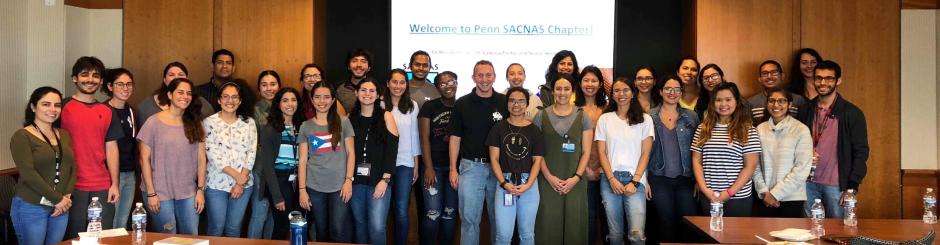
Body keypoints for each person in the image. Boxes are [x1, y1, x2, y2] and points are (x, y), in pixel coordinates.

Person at [796, 60, 869, 218]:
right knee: (810, 231)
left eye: (829, 78)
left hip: (837, 185)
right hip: (807, 183)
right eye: (818, 78)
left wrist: (852, 187)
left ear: (838, 81)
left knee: (839, 232)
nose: (823, 82)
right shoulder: (805, 109)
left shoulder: (852, 113)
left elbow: (861, 152)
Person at [61, 56, 123, 239]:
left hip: (102, 184)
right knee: (73, 237)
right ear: (74, 78)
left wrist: (115, 184)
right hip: (71, 185)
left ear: (102, 81)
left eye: (96, 76)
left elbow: (111, 148)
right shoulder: (62, 107)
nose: (90, 79)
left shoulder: (107, 110)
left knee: (102, 237)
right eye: (84, 74)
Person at [138, 78, 206, 234]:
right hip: (159, 192)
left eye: (189, 93)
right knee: (167, 237)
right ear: (169, 94)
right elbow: (144, 160)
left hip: (188, 192)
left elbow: (202, 159)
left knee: (191, 236)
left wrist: (200, 190)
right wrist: (151, 192)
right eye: (180, 92)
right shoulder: (153, 122)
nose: (185, 96)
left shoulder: (196, 123)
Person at [449, 60, 508, 245]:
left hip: (499, 169)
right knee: (469, 221)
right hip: (470, 167)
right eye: (480, 75)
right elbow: (455, 138)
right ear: (473, 77)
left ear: (495, 77)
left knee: (499, 221)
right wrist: (453, 169)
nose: (484, 79)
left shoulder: (504, 102)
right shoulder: (462, 103)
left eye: (488, 75)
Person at [534, 74, 593, 245]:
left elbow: (586, 151)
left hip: (575, 181)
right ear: (552, 92)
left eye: (566, 89)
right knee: (547, 225)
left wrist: (576, 178)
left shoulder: (583, 117)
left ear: (573, 92)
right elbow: (537, 153)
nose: (562, 92)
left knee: (574, 226)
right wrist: (549, 177)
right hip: (547, 180)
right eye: (558, 89)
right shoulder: (540, 116)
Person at [10, 87, 75, 245]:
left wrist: (66, 196)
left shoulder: (64, 135)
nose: (53, 109)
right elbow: (28, 173)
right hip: (31, 206)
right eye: (46, 104)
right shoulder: (22, 136)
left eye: (57, 105)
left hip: (60, 207)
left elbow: (72, 167)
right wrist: (57, 199)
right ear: (33, 107)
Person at [596, 77, 654, 245]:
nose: (621, 94)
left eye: (625, 90)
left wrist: (635, 182)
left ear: (632, 93)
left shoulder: (645, 119)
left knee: (637, 234)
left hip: (635, 181)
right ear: (612, 94)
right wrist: (611, 179)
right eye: (617, 91)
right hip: (610, 180)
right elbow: (601, 153)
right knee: (614, 235)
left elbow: (645, 153)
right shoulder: (605, 119)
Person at [692, 82, 761, 217]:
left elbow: (750, 166)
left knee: (736, 237)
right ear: (712, 103)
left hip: (738, 197)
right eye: (718, 100)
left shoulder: (747, 129)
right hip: (709, 196)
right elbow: (696, 161)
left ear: (737, 102)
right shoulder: (703, 128)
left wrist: (729, 192)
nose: (723, 104)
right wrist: (705, 190)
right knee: (710, 235)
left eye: (728, 99)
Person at [297, 82, 355, 242]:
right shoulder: (305, 126)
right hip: (314, 187)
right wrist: (302, 190)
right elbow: (302, 160)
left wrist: (348, 181)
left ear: (333, 99)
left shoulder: (343, 122)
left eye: (326, 97)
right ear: (312, 99)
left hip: (339, 187)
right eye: (317, 97)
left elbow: (351, 153)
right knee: (321, 230)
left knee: (337, 230)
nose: (322, 101)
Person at [487, 87, 545, 245]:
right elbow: (494, 159)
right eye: (512, 100)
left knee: (527, 236)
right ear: (507, 104)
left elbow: (537, 161)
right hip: (504, 184)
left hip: (529, 185)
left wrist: (528, 184)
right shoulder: (498, 128)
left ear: (527, 104)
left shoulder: (534, 131)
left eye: (521, 101)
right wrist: (504, 183)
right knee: (503, 236)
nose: (516, 104)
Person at [647, 75, 699, 243]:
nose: (673, 92)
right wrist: (644, 179)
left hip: (686, 179)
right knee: (665, 224)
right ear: (661, 91)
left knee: (688, 223)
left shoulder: (691, 117)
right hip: (658, 179)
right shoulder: (649, 117)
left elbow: (699, 150)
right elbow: (643, 151)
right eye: (668, 89)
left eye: (677, 89)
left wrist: (699, 179)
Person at [348, 78, 399, 245]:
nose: (367, 94)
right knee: (359, 225)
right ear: (356, 93)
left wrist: (385, 180)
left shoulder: (386, 116)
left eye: (371, 91)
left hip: (379, 180)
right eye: (363, 90)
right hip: (356, 182)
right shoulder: (349, 118)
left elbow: (392, 151)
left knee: (377, 227)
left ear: (378, 95)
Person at [203, 82, 258, 237]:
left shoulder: (249, 123)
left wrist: (241, 182)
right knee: (216, 228)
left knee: (234, 229)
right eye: (226, 97)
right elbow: (213, 156)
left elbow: (251, 153)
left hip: (244, 185)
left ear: (240, 101)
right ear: (219, 100)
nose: (230, 101)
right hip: (216, 185)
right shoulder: (209, 123)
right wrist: (238, 177)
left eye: (234, 97)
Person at [754, 88, 813, 218]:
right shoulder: (760, 129)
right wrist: (764, 192)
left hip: (792, 197)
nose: (776, 105)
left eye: (781, 101)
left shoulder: (801, 130)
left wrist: (775, 194)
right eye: (772, 101)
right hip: (765, 197)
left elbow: (802, 168)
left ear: (790, 104)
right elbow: (754, 165)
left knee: (790, 237)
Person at [253, 88, 301, 239]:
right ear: (278, 104)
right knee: (282, 226)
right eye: (285, 100)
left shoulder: (300, 127)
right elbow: (267, 167)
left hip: (296, 181)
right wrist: (277, 196)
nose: (290, 104)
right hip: (279, 181)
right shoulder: (271, 129)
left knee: (293, 224)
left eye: (293, 100)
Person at [419, 71, 459, 245]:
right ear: (437, 88)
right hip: (433, 167)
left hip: (454, 169)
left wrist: (455, 169)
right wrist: (428, 167)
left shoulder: (462, 106)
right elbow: (424, 138)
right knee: (433, 213)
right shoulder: (430, 107)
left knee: (449, 214)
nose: (448, 86)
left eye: (451, 81)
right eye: (442, 84)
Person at [384, 69, 421, 245]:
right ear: (388, 83)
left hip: (405, 164)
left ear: (406, 85)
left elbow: (415, 135)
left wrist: (416, 164)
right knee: (381, 211)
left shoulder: (412, 106)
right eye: (394, 82)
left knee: (401, 211)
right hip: (383, 165)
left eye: (402, 82)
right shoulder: (379, 105)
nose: (398, 86)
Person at [575, 66, 609, 245]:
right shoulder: (573, 110)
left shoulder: (608, 109)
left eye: (594, 80)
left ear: (600, 84)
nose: (590, 84)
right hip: (583, 173)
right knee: (587, 218)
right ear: (580, 84)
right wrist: (585, 169)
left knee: (608, 220)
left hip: (606, 173)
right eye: (586, 80)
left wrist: (603, 167)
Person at [102, 68, 139, 229]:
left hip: (130, 173)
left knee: (122, 222)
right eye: (120, 84)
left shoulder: (132, 111)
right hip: (109, 175)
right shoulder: (103, 111)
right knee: (109, 221)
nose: (125, 88)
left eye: (129, 84)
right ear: (110, 87)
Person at [246, 70, 281, 239]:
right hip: (261, 170)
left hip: (281, 170)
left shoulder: (285, 106)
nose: (269, 88)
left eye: (273, 84)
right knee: (260, 214)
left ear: (279, 86)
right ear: (258, 89)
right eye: (264, 85)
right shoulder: (254, 111)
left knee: (274, 215)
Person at [136, 62, 213, 122]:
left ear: (187, 79)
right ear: (164, 80)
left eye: (181, 74)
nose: (176, 78)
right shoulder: (148, 104)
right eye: (171, 75)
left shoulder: (200, 102)